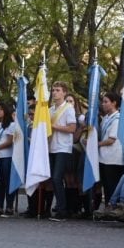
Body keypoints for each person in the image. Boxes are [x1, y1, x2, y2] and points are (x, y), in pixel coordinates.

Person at [48, 81, 77, 221]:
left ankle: (62, 210)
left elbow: (72, 128)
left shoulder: (68, 109)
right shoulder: (50, 109)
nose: (54, 93)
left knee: (57, 178)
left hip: (63, 148)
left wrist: (55, 127)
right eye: (53, 90)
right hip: (51, 147)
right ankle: (59, 207)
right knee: (54, 179)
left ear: (64, 93)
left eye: (58, 90)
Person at [96, 92, 123, 204]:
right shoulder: (106, 118)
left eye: (106, 102)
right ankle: (108, 207)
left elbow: (111, 140)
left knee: (112, 185)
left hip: (113, 158)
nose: (103, 104)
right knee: (106, 185)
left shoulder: (118, 118)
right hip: (104, 157)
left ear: (114, 103)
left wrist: (96, 144)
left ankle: (113, 207)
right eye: (103, 102)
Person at [0, 102, 16, 217]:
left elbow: (10, 141)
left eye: (1, 109)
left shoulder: (11, 125)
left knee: (7, 182)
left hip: (7, 156)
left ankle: (9, 207)